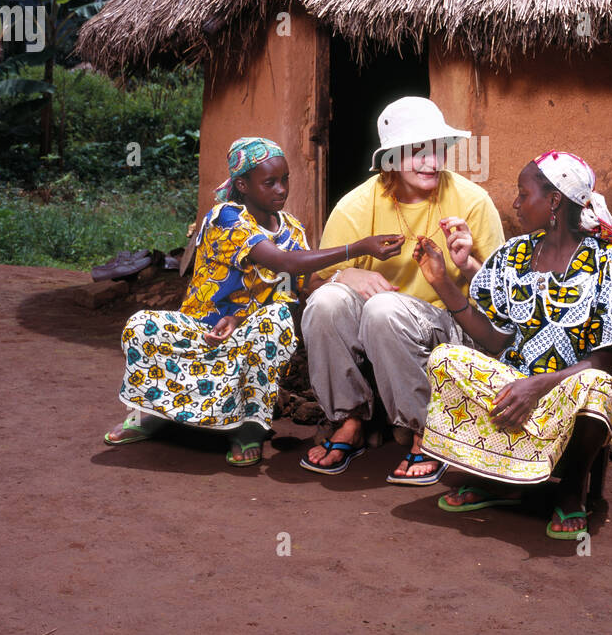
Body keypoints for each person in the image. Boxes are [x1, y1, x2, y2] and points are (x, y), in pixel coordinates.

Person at [104, 136, 402, 465]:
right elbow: (283, 262)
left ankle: (248, 427)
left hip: (251, 334)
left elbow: (302, 288)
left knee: (276, 323)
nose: (281, 189)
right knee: (142, 325)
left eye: (285, 179)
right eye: (270, 182)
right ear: (243, 185)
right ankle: (155, 414)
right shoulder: (225, 218)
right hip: (199, 326)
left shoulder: (294, 230)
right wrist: (359, 247)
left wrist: (347, 279)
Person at [415, 151, 612, 539]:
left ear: (554, 201)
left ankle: (569, 491)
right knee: (447, 359)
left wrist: (538, 386)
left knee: (596, 388)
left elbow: (603, 359)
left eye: (522, 193)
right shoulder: (514, 255)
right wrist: (442, 282)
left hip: (571, 390)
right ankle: (499, 478)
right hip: (516, 387)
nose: (515, 203)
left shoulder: (608, 260)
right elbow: (494, 338)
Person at [299, 97, 505, 483]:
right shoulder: (356, 206)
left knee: (384, 309)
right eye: (417, 152)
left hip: (447, 331)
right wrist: (344, 277)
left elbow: (504, 299)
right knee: (327, 301)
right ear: (391, 157)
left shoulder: (473, 203)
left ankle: (426, 432)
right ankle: (349, 421)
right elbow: (312, 283)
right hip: (378, 332)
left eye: (438, 149)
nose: (432, 162)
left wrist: (467, 265)